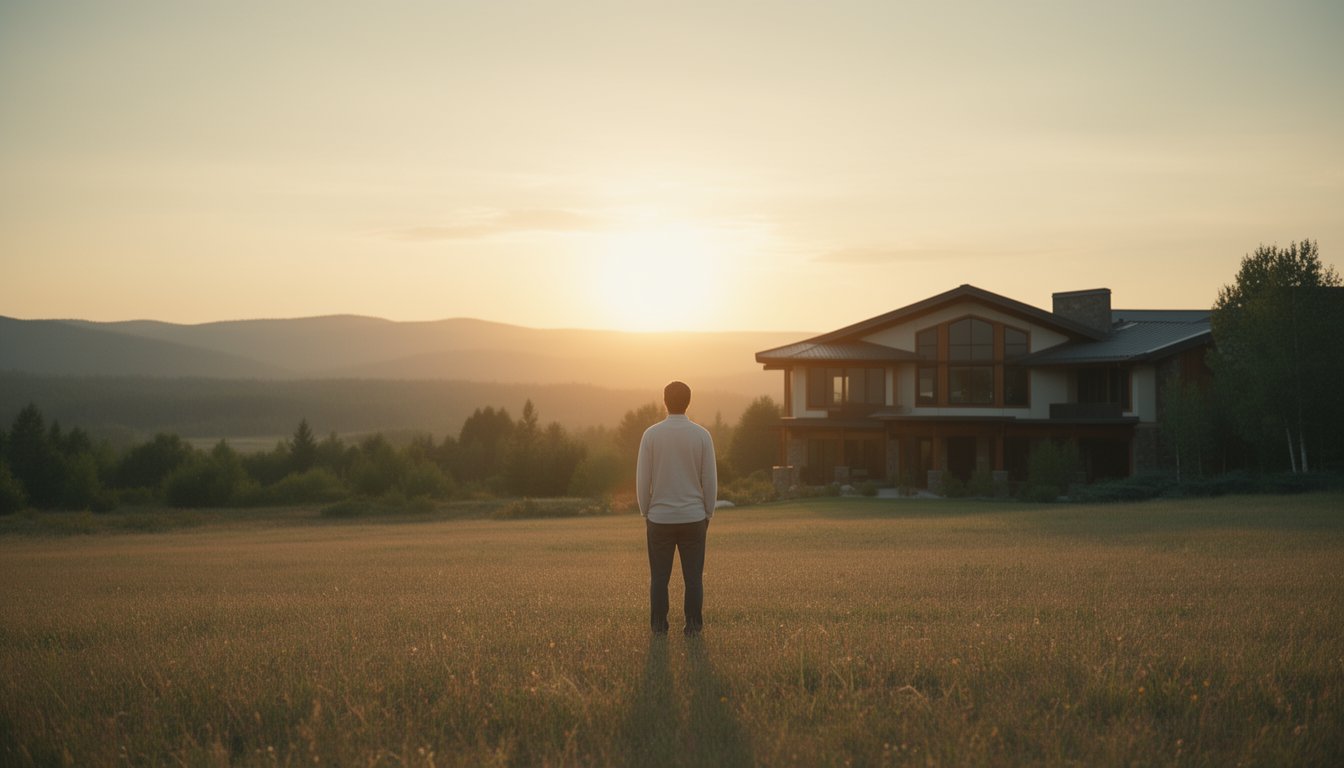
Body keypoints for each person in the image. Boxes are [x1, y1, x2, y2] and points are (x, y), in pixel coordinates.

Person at [636, 380, 718, 637]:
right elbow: (710, 480)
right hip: (694, 517)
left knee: (659, 577)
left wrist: (645, 512)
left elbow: (642, 479)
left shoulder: (651, 435)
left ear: (664, 401)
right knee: (693, 578)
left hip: (659, 518)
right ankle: (693, 627)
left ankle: (659, 627)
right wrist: (708, 512)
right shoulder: (702, 435)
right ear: (688, 402)